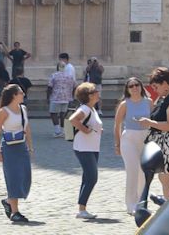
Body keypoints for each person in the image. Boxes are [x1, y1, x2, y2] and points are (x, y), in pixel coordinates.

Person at [135, 66, 169, 205]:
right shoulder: (168, 96)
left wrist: (149, 122)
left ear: (165, 83)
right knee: (165, 177)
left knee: (165, 177)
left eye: (156, 86)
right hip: (167, 141)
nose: (154, 89)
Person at [0, 81, 34, 223]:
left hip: (21, 146)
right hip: (9, 148)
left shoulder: (23, 109)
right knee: (13, 178)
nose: (23, 95)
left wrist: (30, 146)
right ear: (14, 95)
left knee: (25, 177)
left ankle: (8, 201)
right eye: (21, 93)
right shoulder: (4, 111)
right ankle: (15, 212)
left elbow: (27, 128)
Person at [68, 80, 103, 219]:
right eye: (95, 91)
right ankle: (82, 209)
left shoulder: (91, 109)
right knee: (92, 178)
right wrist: (85, 130)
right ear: (88, 95)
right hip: (84, 148)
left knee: (87, 178)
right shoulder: (84, 109)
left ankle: (82, 208)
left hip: (92, 147)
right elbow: (73, 119)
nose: (97, 93)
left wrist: (95, 129)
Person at [115, 77, 151, 215]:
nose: (134, 88)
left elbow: (153, 121)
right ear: (127, 89)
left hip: (145, 138)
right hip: (129, 139)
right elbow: (117, 124)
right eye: (131, 86)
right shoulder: (125, 104)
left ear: (141, 86)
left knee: (144, 172)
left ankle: (142, 203)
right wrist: (117, 143)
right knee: (132, 171)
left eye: (137, 85)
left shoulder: (149, 102)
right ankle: (131, 204)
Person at [49, 56, 77, 135]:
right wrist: (71, 95)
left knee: (53, 113)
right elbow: (75, 86)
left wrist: (48, 97)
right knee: (63, 114)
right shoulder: (70, 76)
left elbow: (49, 87)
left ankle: (57, 130)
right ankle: (63, 130)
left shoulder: (54, 75)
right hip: (66, 98)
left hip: (55, 98)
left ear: (57, 67)